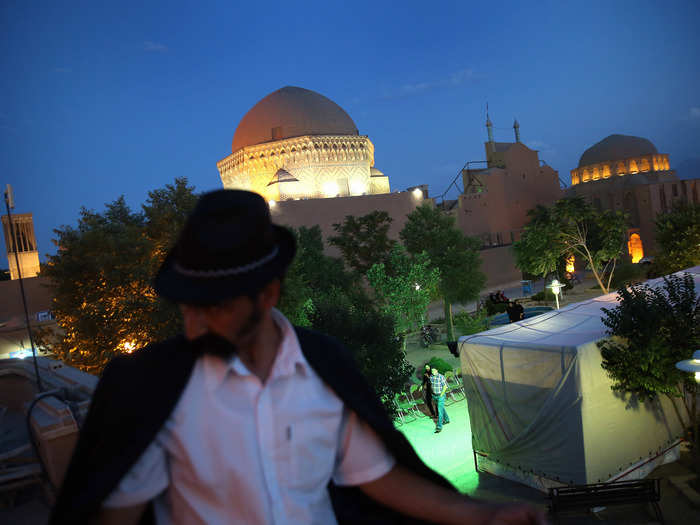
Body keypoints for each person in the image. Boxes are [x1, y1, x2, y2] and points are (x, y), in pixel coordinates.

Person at [51, 190, 547, 525]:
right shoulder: (151, 390)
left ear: (268, 294)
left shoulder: (322, 365)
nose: (192, 326)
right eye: (187, 306)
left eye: (214, 307)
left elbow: (379, 477)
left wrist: (483, 516)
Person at [429, 368, 450, 433]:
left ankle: (439, 427)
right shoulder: (431, 377)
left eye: (434, 370)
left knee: (439, 411)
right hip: (434, 395)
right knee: (441, 408)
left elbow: (445, 386)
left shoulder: (441, 377)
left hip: (440, 395)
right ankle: (447, 419)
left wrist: (441, 395)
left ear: (437, 370)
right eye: (432, 371)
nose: (433, 372)